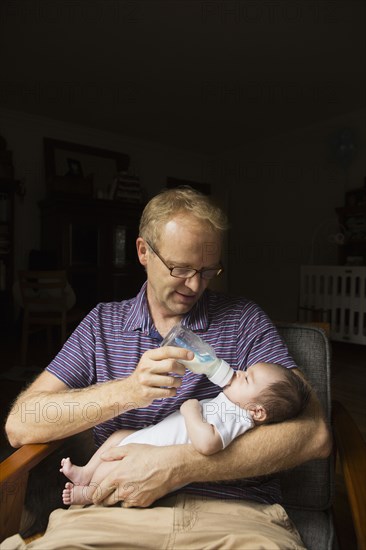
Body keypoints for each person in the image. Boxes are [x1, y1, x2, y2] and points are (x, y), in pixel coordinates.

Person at [4, 186, 331, 550]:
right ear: (143, 251)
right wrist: (126, 392)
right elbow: (21, 423)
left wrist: (178, 465)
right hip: (112, 514)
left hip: (235, 516)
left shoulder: (244, 321)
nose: (195, 285)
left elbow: (314, 434)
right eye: (181, 268)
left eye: (207, 271)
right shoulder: (101, 325)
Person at [60, 362, 311, 506]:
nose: (239, 373)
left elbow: (207, 444)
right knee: (118, 435)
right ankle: (85, 471)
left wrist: (191, 410)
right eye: (246, 371)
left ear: (257, 412)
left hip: (154, 454)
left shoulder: (239, 418)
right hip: (150, 436)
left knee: (114, 471)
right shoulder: (233, 403)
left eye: (247, 379)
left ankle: (86, 493)